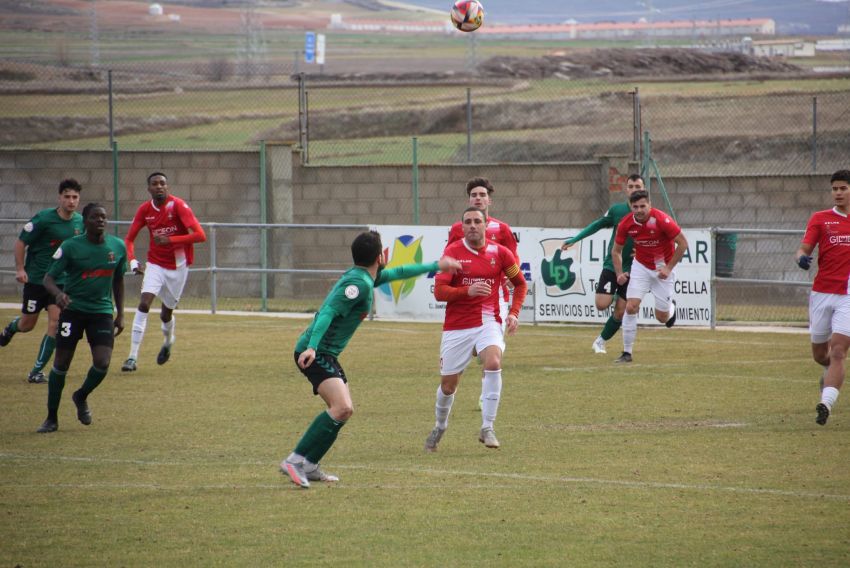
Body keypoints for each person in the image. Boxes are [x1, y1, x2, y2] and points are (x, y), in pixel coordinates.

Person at [281, 231, 461, 488]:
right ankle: (295, 460)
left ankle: (308, 465)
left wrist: (437, 265)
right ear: (380, 256)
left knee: (344, 410)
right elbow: (328, 312)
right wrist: (311, 347)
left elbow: (399, 273)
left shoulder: (366, 277)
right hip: (315, 352)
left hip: (325, 352)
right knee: (341, 407)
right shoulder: (359, 285)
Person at [424, 207, 528, 452]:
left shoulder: (501, 253)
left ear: (485, 225)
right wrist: (465, 291)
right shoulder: (452, 253)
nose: (472, 225)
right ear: (462, 227)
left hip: (488, 321)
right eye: (468, 222)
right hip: (457, 326)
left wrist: (513, 313)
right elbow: (439, 292)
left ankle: (487, 427)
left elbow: (520, 284)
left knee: (493, 363)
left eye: (477, 221)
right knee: (448, 386)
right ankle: (440, 426)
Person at [36, 203, 126, 433]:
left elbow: (118, 280)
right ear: (84, 221)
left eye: (104, 217)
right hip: (73, 311)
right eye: (95, 217)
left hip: (102, 312)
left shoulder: (117, 246)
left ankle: (81, 395)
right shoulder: (71, 247)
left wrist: (121, 314)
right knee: (61, 363)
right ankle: (51, 418)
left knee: (103, 362)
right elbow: (48, 278)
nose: (101, 220)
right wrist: (58, 294)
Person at [0, 179, 84, 384]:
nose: (71, 201)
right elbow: (21, 242)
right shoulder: (44, 219)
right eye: (67, 197)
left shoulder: (80, 222)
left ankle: (36, 371)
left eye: (75, 197)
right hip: (37, 280)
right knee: (27, 324)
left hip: (59, 283)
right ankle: (11, 328)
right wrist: (20, 269)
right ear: (59, 198)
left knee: (55, 324)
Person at [121, 172, 206, 372]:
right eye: (155, 184)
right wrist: (132, 260)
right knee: (144, 303)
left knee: (166, 314)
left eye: (162, 183)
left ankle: (168, 341)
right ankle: (132, 357)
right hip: (155, 264)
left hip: (178, 267)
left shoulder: (178, 206)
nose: (159, 186)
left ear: (167, 187)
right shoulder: (144, 210)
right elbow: (129, 239)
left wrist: (171, 240)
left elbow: (200, 235)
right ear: (149, 188)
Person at [447, 177, 519, 409]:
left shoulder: (503, 229)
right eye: (474, 195)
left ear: (490, 200)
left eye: (482, 195)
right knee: (476, 350)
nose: (478, 198)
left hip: (495, 299)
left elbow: (514, 258)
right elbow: (448, 258)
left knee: (490, 354)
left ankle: (485, 393)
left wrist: (508, 275)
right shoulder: (458, 229)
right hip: (466, 301)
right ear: (469, 199)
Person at [561, 174, 644, 354]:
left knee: (621, 312)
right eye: (631, 186)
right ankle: (615, 295)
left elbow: (658, 239)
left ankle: (600, 341)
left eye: (638, 186)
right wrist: (576, 239)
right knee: (601, 304)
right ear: (626, 189)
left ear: (644, 190)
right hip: (613, 266)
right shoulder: (617, 210)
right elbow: (597, 224)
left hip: (634, 269)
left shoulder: (649, 215)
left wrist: (644, 251)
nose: (634, 189)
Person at [795, 169, 850, 426]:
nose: (838, 193)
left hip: (847, 296)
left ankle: (825, 403)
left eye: (843, 188)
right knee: (820, 354)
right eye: (835, 189)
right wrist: (801, 259)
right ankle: (829, 377)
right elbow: (803, 248)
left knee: (838, 351)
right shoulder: (820, 219)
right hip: (821, 293)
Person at [611, 190, 686, 363]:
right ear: (631, 206)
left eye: (642, 206)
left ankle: (670, 309)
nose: (639, 210)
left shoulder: (662, 220)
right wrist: (619, 274)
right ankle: (626, 353)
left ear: (649, 205)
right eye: (635, 206)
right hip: (641, 267)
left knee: (662, 318)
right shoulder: (626, 224)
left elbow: (683, 243)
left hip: (662, 269)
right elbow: (616, 251)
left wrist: (668, 268)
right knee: (630, 306)